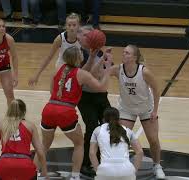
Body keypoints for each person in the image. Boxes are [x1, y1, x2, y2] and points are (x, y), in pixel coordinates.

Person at [37, 46, 111, 180]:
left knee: (44, 144)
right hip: (66, 111)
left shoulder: (58, 70)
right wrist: (108, 71)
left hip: (49, 108)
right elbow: (101, 87)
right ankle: (75, 176)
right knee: (79, 143)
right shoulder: (81, 74)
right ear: (79, 58)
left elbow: (51, 90)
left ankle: (34, 172)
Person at [98, 44, 166, 179]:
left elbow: (156, 89)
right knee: (122, 138)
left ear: (135, 57)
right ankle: (123, 165)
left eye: (127, 53)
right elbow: (101, 74)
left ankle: (157, 165)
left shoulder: (144, 72)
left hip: (146, 108)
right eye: (123, 52)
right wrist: (105, 61)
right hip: (126, 109)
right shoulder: (118, 69)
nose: (124, 54)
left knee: (153, 139)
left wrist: (155, 110)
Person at [77, 25, 111, 176]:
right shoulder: (76, 53)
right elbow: (84, 76)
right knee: (91, 127)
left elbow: (101, 74)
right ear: (79, 37)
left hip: (100, 95)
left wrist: (105, 63)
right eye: (85, 35)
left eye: (89, 35)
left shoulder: (99, 52)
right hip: (85, 97)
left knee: (109, 125)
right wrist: (95, 58)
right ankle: (85, 163)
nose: (87, 37)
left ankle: (106, 158)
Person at [0, 99, 49, 180]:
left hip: (5, 165)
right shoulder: (31, 126)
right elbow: (40, 152)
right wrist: (45, 172)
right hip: (25, 166)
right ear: (24, 111)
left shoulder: (1, 125)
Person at [28, 13, 82, 86]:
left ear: (78, 26)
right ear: (66, 26)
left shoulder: (82, 39)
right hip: (61, 66)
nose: (71, 28)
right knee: (55, 90)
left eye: (74, 25)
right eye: (69, 25)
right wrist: (37, 74)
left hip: (76, 67)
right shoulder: (60, 38)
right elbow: (49, 57)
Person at [89, 107, 143, 180]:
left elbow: (92, 153)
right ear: (119, 119)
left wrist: (98, 171)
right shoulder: (128, 131)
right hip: (126, 171)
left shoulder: (97, 130)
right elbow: (139, 152)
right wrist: (133, 171)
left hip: (105, 171)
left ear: (103, 119)